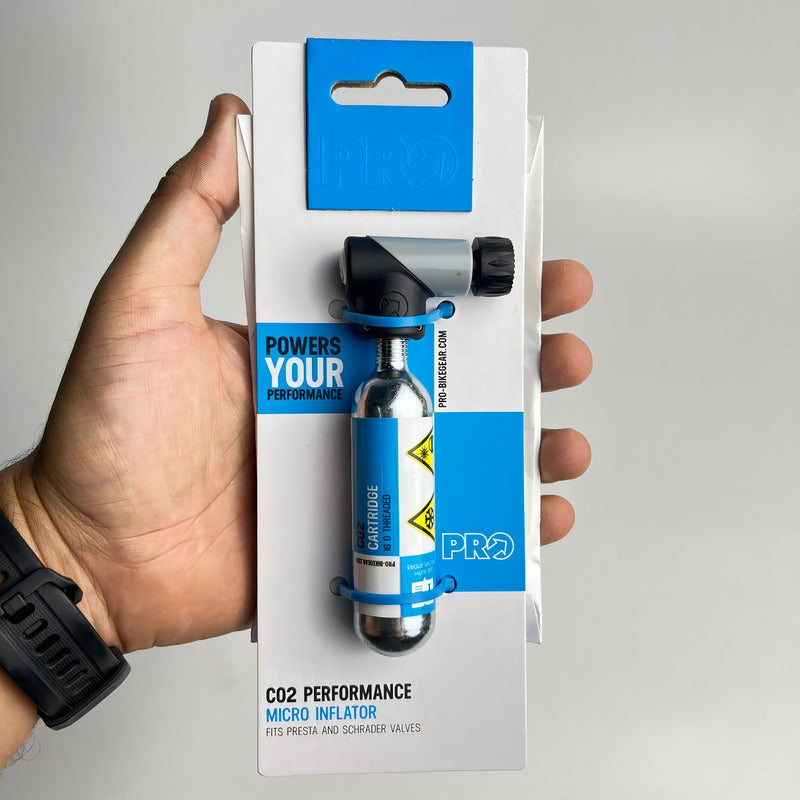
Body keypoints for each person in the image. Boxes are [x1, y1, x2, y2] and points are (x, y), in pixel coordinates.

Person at [0, 94, 592, 767]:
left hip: (389, 580)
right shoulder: (387, 395)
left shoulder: (391, 395)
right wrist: (63, 540)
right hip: (374, 581)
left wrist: (59, 545)